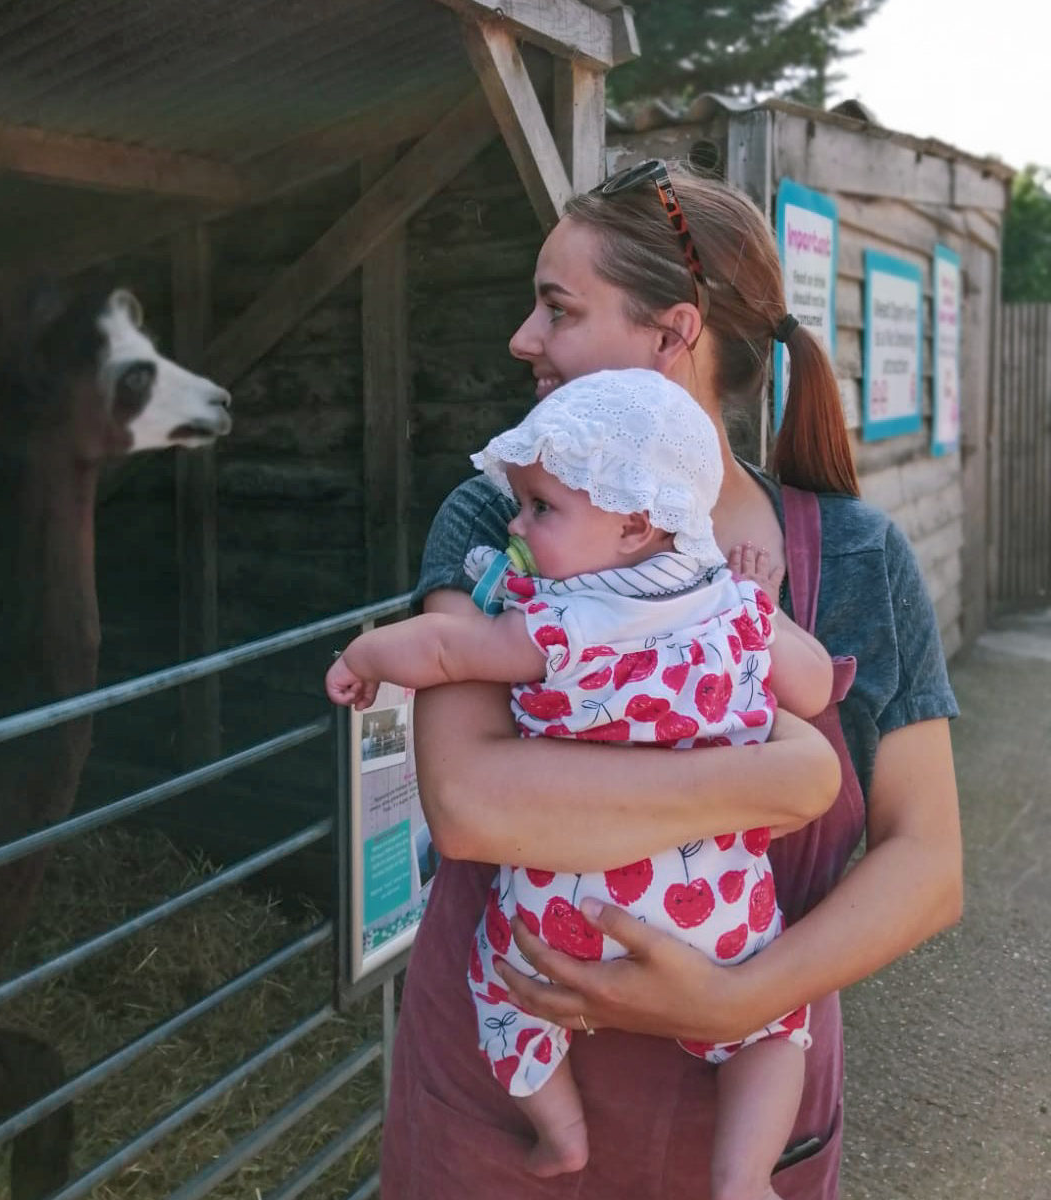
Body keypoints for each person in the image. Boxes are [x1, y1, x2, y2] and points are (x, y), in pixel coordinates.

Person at [378, 159, 962, 1200]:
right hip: (500, 1128)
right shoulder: (502, 524)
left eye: (557, 308)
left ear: (671, 334)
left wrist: (739, 1000)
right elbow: (470, 805)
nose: (523, 338)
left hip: (740, 1135)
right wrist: (790, 778)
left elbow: (928, 863)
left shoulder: (860, 558)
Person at [328, 368, 836, 1198]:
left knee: (500, 989)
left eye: (540, 509)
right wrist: (761, 609)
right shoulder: (731, 609)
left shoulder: (560, 622)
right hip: (714, 911)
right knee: (777, 1029)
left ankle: (559, 1130)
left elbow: (452, 652)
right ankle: (742, 1178)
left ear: (636, 524)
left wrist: (365, 657)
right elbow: (811, 689)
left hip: (560, 918)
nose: (518, 524)